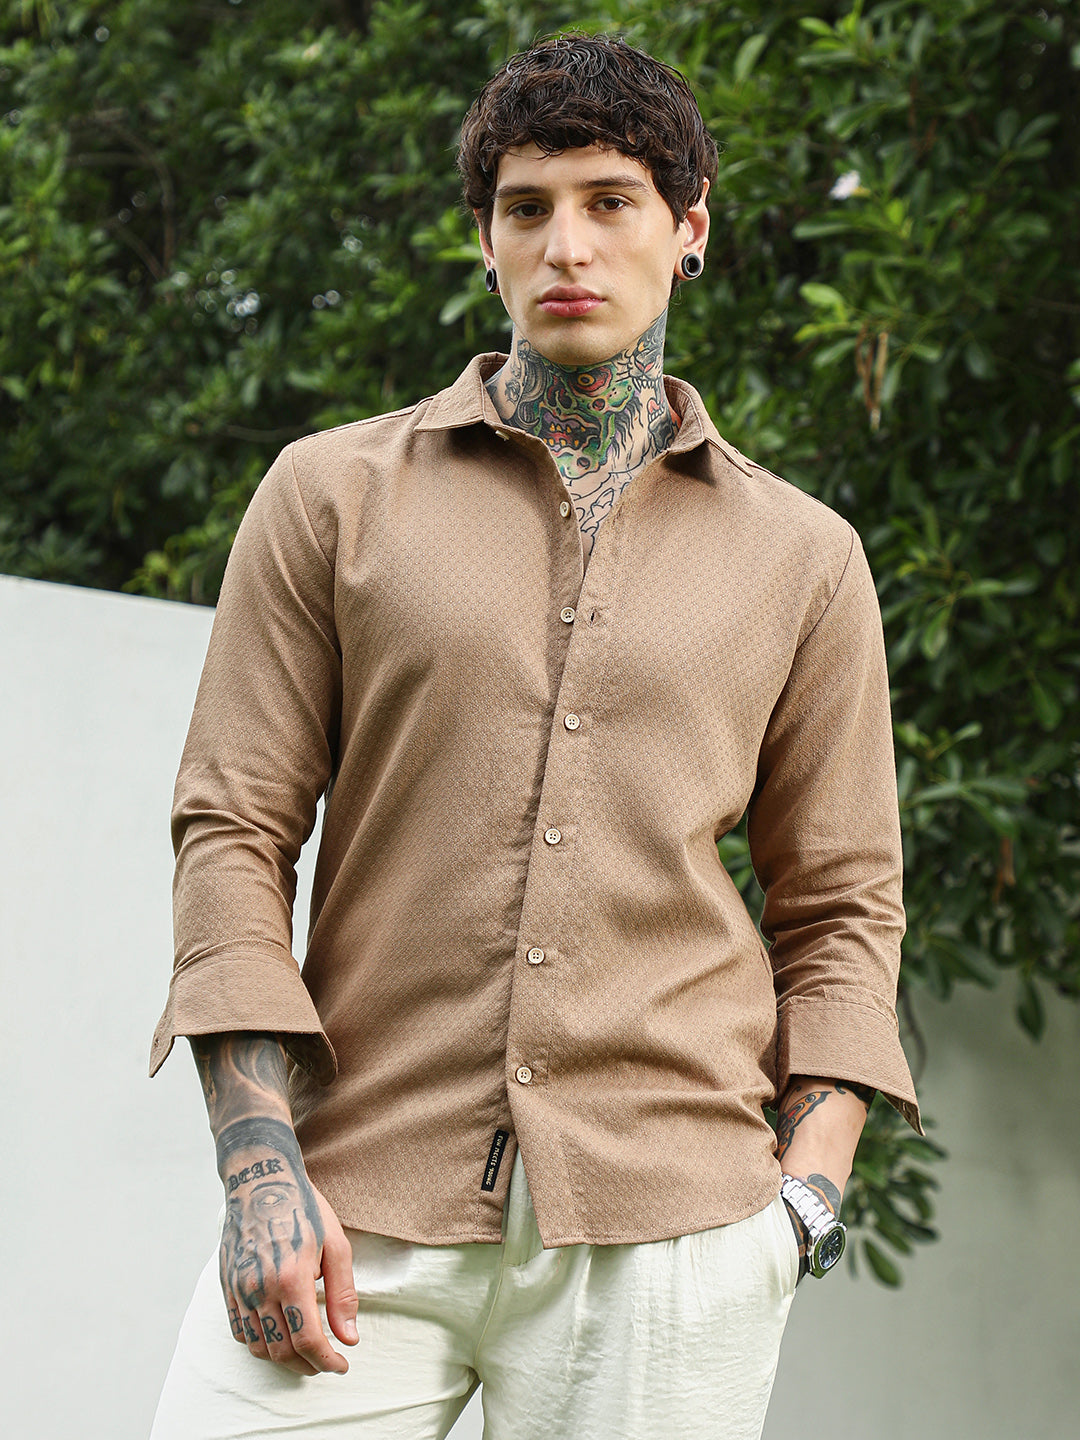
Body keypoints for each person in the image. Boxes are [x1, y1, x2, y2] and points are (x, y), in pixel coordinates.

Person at [149, 32, 920, 1440]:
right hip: (358, 1201)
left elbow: (842, 902)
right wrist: (258, 1167)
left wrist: (803, 1200)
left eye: (611, 201)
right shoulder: (329, 498)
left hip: (671, 1237)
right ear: (485, 240)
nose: (567, 245)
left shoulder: (806, 560)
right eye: (527, 208)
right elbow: (234, 829)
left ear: (689, 230)